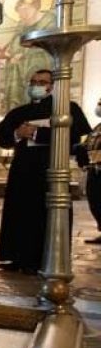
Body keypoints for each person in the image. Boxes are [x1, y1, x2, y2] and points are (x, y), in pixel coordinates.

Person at [0, 70, 91, 273]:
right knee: (20, 212)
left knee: (45, 214)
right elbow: (3, 139)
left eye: (42, 82)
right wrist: (16, 133)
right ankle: (17, 257)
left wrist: (37, 133)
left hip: (51, 169)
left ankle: (43, 259)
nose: (36, 85)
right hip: (22, 170)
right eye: (33, 81)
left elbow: (74, 136)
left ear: (52, 86)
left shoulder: (67, 109)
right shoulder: (20, 112)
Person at [0, 0, 57, 113]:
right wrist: (15, 54)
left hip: (43, 57)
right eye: (20, 11)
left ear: (35, 7)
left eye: (26, 9)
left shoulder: (48, 20)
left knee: (33, 69)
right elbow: (16, 41)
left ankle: (38, 104)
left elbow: (49, 42)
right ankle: (16, 106)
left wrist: (24, 54)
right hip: (23, 59)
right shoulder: (22, 23)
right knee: (13, 66)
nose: (23, 14)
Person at [74, 97, 101, 244]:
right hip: (94, 170)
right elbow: (88, 144)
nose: (99, 107)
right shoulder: (98, 127)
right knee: (96, 202)